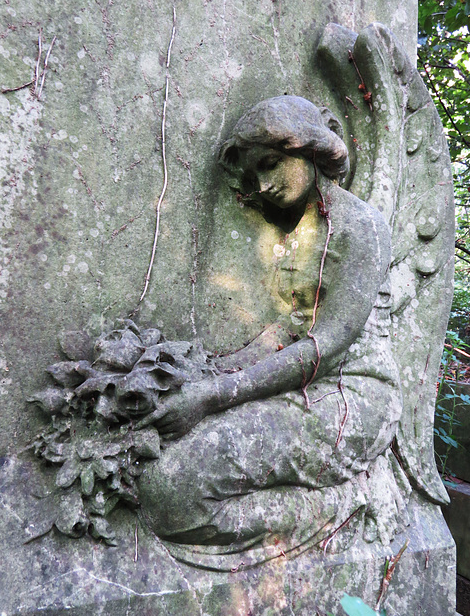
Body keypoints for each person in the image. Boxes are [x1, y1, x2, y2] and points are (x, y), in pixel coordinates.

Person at [136, 96, 402, 549]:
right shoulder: (299, 233)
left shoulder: (362, 224)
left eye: (271, 164)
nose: (263, 184)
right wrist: (205, 374)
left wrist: (214, 396)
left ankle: (348, 505)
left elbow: (328, 343)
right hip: (300, 387)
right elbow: (283, 333)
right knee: (164, 481)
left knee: (171, 490)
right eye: (254, 175)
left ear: (309, 147)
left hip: (352, 397)